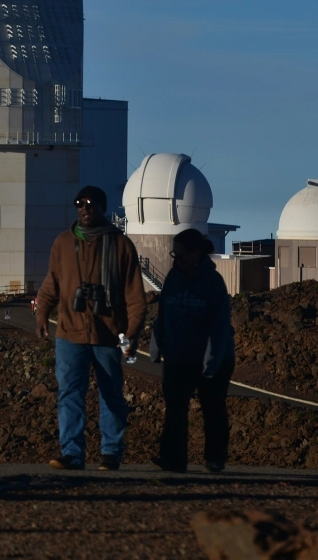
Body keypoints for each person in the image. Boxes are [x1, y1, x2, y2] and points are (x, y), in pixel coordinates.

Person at [35, 185, 147, 471]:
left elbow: (135, 296)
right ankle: (72, 454)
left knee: (110, 394)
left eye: (91, 204)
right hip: (69, 334)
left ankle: (111, 453)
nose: (85, 209)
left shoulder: (121, 245)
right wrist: (41, 314)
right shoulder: (63, 243)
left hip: (108, 334)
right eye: (79, 204)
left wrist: (132, 332)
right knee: (70, 393)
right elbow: (52, 283)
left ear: (102, 208)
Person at [149, 229, 235, 473]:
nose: (175, 259)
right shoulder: (173, 278)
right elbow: (163, 313)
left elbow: (219, 326)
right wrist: (156, 345)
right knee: (175, 407)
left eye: (180, 254)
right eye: (173, 254)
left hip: (213, 358)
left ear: (195, 253)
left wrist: (211, 361)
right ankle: (173, 458)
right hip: (178, 356)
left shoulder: (213, 283)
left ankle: (215, 458)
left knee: (213, 406)